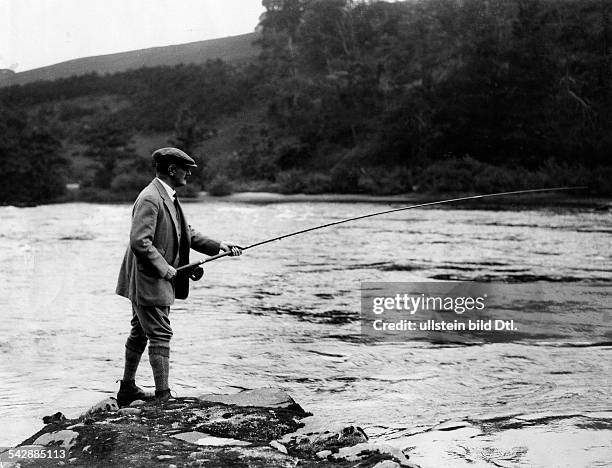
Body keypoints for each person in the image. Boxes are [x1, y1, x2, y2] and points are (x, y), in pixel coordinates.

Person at [115, 147, 242, 406]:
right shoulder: (151, 198)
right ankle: (163, 398)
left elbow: (187, 233)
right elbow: (140, 242)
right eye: (185, 169)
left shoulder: (167, 196)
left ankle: (127, 389)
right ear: (172, 170)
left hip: (149, 277)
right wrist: (165, 268)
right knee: (160, 332)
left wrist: (219, 245)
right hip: (148, 278)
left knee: (141, 331)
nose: (188, 174)